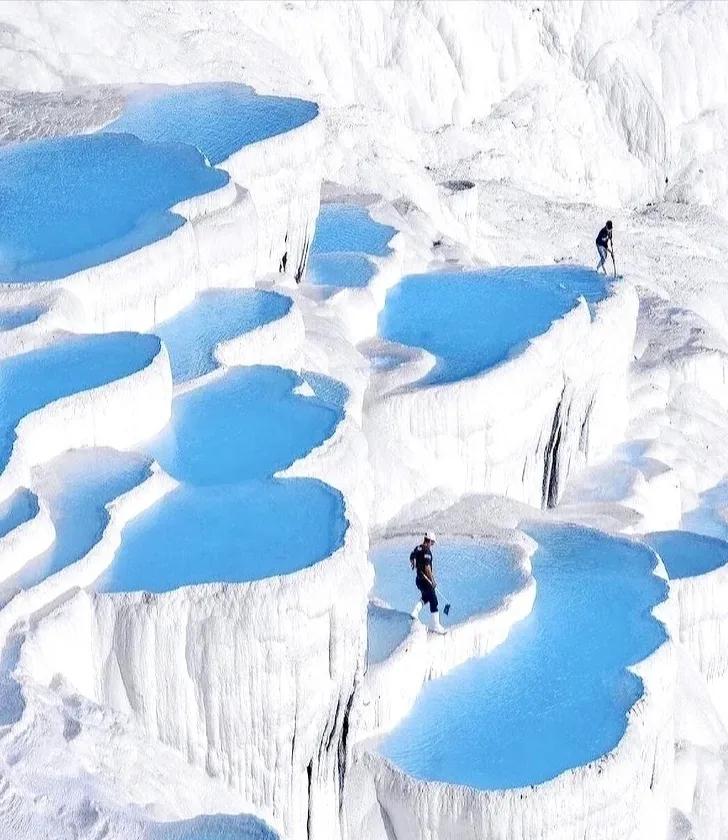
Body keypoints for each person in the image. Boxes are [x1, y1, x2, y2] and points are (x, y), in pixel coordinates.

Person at [409, 531, 446, 634]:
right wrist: (433, 581)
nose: (432, 545)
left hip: (419, 580)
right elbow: (427, 568)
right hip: (426, 581)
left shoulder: (418, 548)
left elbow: (412, 557)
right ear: (429, 541)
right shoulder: (427, 552)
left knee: (426, 597)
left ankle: (414, 612)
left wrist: (413, 564)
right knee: (434, 601)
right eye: (432, 542)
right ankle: (435, 626)